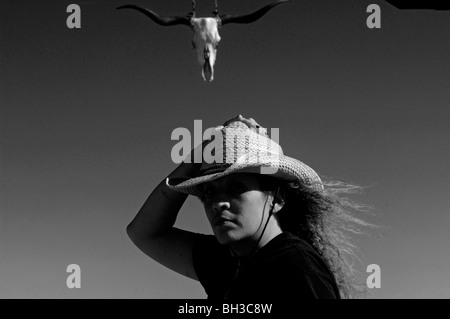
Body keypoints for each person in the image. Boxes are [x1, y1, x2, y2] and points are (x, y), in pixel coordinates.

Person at [127, 115, 370, 299]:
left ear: (277, 199)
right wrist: (196, 158)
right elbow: (143, 232)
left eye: (236, 188)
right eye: (209, 191)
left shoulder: (295, 267)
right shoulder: (223, 261)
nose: (217, 203)